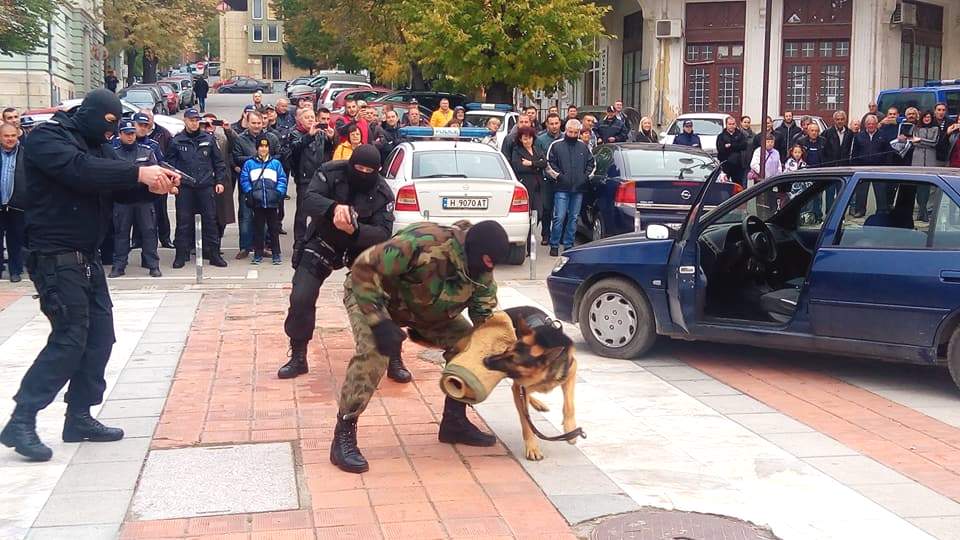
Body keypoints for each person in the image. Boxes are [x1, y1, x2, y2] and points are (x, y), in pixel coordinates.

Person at [0, 89, 179, 462]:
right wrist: (137, 172)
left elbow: (113, 186)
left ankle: (79, 415)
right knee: (69, 338)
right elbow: (80, 172)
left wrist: (153, 186)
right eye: (108, 125)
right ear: (90, 115)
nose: (110, 135)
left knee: (100, 337)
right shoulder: (48, 139)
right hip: (54, 255)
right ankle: (22, 419)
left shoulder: (94, 142)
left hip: (86, 257)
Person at [329, 219, 509, 473]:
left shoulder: (482, 270)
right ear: (473, 249)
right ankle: (343, 434)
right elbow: (363, 268)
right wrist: (379, 322)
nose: (487, 271)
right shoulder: (423, 241)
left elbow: (484, 316)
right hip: (373, 296)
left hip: (425, 312)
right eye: (486, 263)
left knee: (469, 348)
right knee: (374, 353)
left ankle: (454, 422)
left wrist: (502, 347)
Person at [279, 145, 395, 380]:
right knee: (301, 296)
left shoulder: (383, 192)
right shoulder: (330, 172)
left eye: (368, 170)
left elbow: (383, 232)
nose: (362, 173)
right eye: (358, 168)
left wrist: (355, 229)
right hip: (324, 241)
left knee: (386, 299)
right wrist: (333, 208)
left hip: (361, 248)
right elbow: (308, 199)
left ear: (378, 170)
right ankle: (298, 356)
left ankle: (394, 357)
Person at [166, 108, 228, 268]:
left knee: (210, 221)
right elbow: (169, 165)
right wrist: (173, 184)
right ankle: (181, 255)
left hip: (205, 186)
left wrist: (219, 181)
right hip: (185, 188)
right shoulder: (176, 141)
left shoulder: (208, 139)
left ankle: (214, 254)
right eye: (191, 120)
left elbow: (219, 163)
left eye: (196, 120)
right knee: (183, 222)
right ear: (185, 121)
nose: (194, 123)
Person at [109, 120, 161, 278]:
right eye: (126, 134)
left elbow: (155, 172)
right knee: (121, 234)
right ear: (120, 134)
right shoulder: (114, 153)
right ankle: (119, 266)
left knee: (149, 233)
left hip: (144, 200)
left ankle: (153, 265)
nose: (130, 137)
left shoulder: (146, 151)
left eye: (132, 133)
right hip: (122, 200)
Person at [282, 107, 335, 248]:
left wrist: (331, 139)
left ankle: (316, 240)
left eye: (312, 117)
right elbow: (295, 149)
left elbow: (328, 153)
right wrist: (309, 136)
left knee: (320, 212)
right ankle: (299, 242)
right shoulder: (295, 133)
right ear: (300, 120)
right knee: (302, 213)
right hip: (304, 178)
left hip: (319, 177)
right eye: (307, 117)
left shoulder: (320, 133)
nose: (311, 120)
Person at [232, 111, 280, 259]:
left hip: (267, 185)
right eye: (253, 123)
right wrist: (254, 159)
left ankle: (262, 247)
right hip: (248, 184)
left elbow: (279, 155)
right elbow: (236, 157)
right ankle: (245, 247)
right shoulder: (240, 139)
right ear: (247, 122)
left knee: (264, 219)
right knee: (245, 216)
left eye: (259, 123)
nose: (256, 126)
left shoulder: (271, 138)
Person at [545, 119, 594, 256]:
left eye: (575, 132)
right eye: (570, 132)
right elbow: (549, 164)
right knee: (559, 217)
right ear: (566, 131)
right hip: (561, 187)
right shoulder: (556, 145)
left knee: (573, 217)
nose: (572, 134)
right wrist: (559, 176)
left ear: (579, 132)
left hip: (578, 188)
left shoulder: (583, 147)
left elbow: (591, 163)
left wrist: (585, 177)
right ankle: (554, 244)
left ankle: (569, 244)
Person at [239, 137, 287, 265]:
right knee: (258, 229)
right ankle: (258, 254)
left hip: (272, 201)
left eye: (266, 147)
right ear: (257, 148)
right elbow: (244, 179)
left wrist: (279, 193)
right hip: (258, 201)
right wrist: (250, 192)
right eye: (261, 146)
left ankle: (276, 254)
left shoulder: (275, 164)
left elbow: (282, 179)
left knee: (273, 229)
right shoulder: (249, 164)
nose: (263, 149)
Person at [135, 110, 174, 248]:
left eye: (148, 121)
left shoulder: (161, 135)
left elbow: (164, 160)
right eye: (141, 123)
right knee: (136, 215)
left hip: (155, 183)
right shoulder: (126, 139)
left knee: (160, 212)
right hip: (135, 185)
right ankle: (136, 240)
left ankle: (165, 238)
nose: (144, 126)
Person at [202, 114, 236, 242]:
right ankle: (204, 244)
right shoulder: (199, 138)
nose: (210, 126)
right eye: (206, 123)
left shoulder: (222, 139)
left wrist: (228, 130)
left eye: (213, 123)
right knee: (207, 214)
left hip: (221, 180)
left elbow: (236, 145)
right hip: (205, 180)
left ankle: (217, 241)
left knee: (222, 214)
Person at [0, 123, 27, 282]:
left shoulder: (26, 155)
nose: (10, 139)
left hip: (17, 205)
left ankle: (15, 271)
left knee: (15, 239)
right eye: (6, 136)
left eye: (13, 135)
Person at [850, 114, 891, 217]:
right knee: (861, 191)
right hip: (863, 167)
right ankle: (860, 210)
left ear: (877, 124)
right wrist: (855, 167)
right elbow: (854, 153)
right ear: (865, 125)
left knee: (881, 191)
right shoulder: (859, 136)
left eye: (873, 124)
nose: (871, 126)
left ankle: (881, 211)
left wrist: (887, 166)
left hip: (879, 168)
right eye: (869, 124)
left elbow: (888, 153)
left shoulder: (883, 135)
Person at [510, 126, 545, 226]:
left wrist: (531, 163)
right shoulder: (517, 151)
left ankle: (533, 230)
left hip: (538, 185)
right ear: (520, 139)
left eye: (530, 138)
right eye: (525, 139)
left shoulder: (537, 149)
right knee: (527, 213)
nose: (528, 141)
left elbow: (544, 163)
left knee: (539, 212)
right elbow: (519, 167)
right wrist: (537, 164)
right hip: (526, 185)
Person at [535, 114, 562, 244]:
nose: (554, 126)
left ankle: (559, 235)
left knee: (562, 209)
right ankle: (546, 234)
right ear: (547, 124)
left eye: (556, 123)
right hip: (546, 179)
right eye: (551, 124)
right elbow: (538, 158)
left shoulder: (564, 137)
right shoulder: (541, 139)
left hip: (562, 179)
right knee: (547, 208)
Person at [912, 110, 940, 221]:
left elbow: (934, 143)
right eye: (925, 117)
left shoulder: (935, 129)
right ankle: (921, 210)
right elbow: (914, 142)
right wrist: (921, 141)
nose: (927, 119)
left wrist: (921, 140)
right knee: (919, 187)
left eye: (929, 117)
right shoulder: (917, 128)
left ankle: (927, 211)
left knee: (930, 187)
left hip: (930, 159)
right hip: (917, 159)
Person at [716, 116, 748, 186]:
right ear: (726, 125)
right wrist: (735, 146)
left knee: (738, 186)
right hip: (725, 165)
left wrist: (730, 145)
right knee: (723, 185)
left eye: (733, 124)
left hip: (738, 165)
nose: (731, 126)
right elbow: (721, 149)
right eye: (729, 124)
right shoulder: (721, 136)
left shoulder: (740, 135)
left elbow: (743, 146)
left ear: (735, 124)